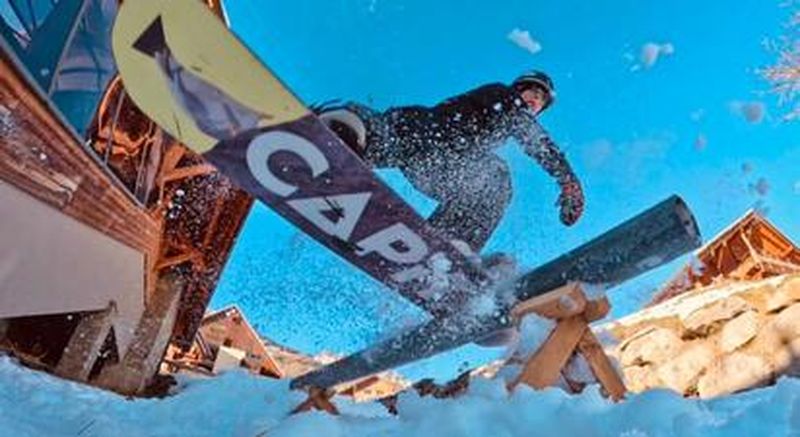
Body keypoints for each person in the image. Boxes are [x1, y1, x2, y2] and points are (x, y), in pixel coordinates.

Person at [315, 70, 585, 252]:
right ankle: (340, 127)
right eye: (532, 93)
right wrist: (568, 180)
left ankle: (442, 247)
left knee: (489, 185)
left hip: (439, 168)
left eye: (540, 101)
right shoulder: (504, 97)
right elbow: (537, 142)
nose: (534, 102)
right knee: (494, 174)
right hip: (425, 133)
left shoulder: (507, 126)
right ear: (520, 89)